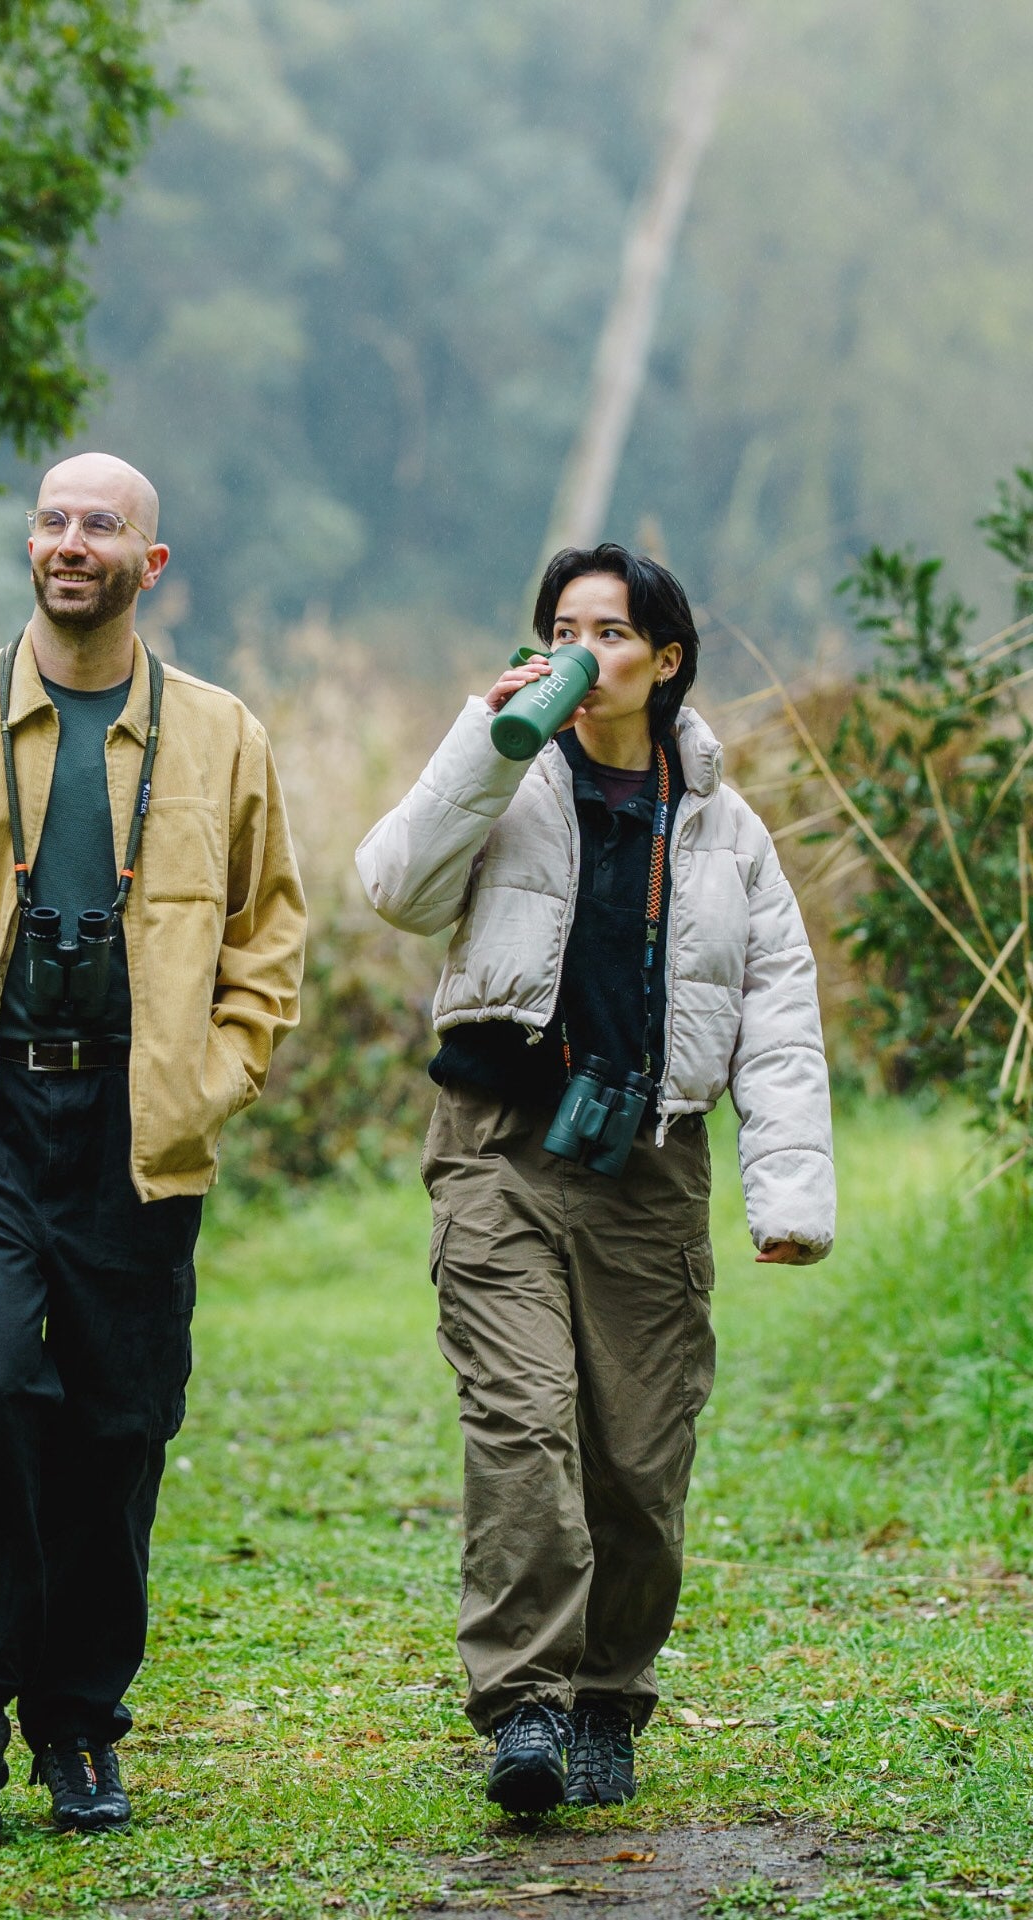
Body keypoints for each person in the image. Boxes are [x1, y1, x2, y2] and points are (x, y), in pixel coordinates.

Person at [0, 452, 306, 1841]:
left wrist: (217, 1077)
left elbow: (271, 938)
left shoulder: (224, 735)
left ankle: (81, 1728)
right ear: (30, 546)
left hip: (140, 1131)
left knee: (117, 1423)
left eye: (102, 526)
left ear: (150, 564)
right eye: (53, 521)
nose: (71, 542)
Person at [355, 544, 833, 1814]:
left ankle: (611, 1697)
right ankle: (523, 1707)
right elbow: (394, 888)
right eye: (562, 629)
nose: (585, 653)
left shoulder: (727, 830)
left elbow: (777, 1016)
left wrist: (787, 1196)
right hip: (499, 1150)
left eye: (610, 633)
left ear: (666, 659)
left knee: (636, 1456)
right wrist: (494, 738)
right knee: (520, 1426)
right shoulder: (505, 776)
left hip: (649, 1167)